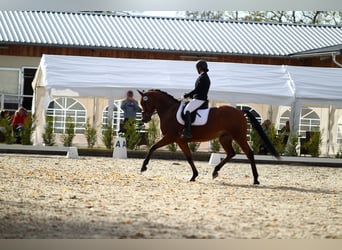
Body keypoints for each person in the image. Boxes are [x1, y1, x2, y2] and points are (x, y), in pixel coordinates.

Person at [181, 60, 211, 139]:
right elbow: (199, 90)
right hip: (198, 98)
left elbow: (197, 90)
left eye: (197, 68)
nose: (197, 69)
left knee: (186, 110)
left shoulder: (203, 77)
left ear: (200, 68)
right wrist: (191, 96)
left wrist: (187, 95)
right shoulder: (203, 76)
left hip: (200, 100)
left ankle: (187, 131)